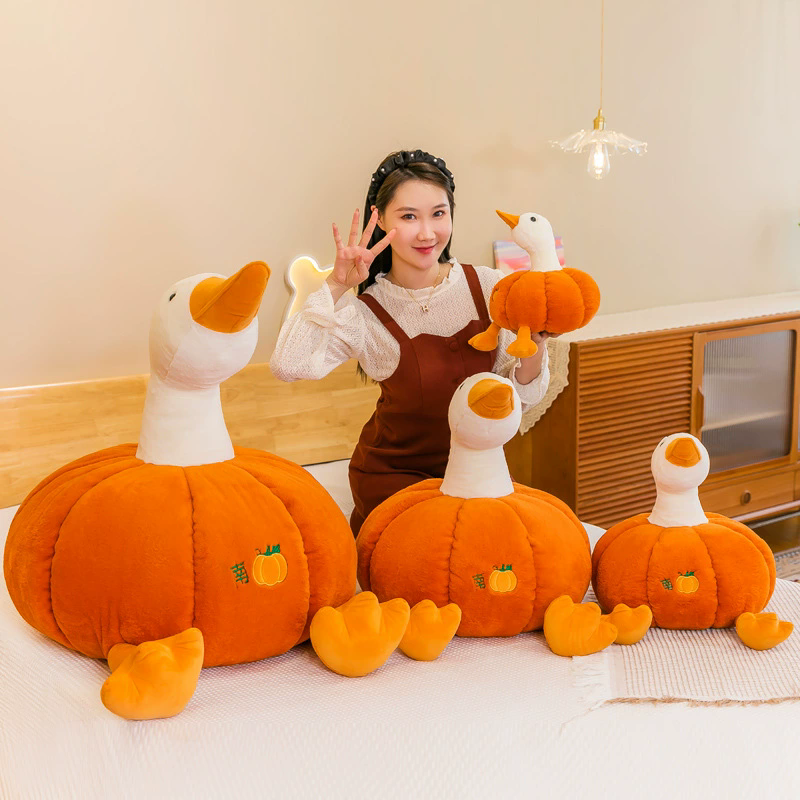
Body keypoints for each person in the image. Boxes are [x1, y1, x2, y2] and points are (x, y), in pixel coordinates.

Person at [270, 149, 551, 533]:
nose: (426, 233)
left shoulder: (489, 287)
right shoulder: (366, 312)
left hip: (475, 471)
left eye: (438, 213)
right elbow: (287, 364)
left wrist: (536, 343)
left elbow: (523, 398)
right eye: (408, 217)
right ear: (380, 220)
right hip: (394, 480)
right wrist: (335, 285)